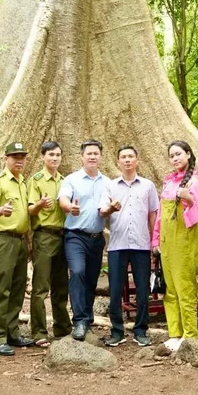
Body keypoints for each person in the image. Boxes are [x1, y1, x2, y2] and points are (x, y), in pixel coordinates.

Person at [101, 146, 159, 348]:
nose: (127, 160)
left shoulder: (147, 185)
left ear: (137, 160)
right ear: (118, 162)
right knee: (116, 290)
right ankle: (117, 331)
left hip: (142, 244)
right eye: (123, 157)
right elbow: (102, 212)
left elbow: (153, 213)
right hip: (117, 244)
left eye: (130, 157)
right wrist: (111, 208)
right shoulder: (109, 186)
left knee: (143, 289)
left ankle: (141, 330)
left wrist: (155, 242)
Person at [155, 140, 198, 353]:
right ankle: (174, 333)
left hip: (185, 244)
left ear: (188, 154)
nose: (175, 158)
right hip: (166, 244)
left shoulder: (195, 183)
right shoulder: (168, 183)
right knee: (170, 289)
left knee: (185, 288)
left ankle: (190, 334)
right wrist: (155, 240)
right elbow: (160, 215)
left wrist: (189, 200)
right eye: (172, 156)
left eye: (179, 154)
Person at [0, 142, 34, 356]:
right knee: (0, 289)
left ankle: (11, 332)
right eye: (15, 157)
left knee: (16, 289)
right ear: (6, 159)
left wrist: (29, 240)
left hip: (20, 239)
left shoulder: (23, 182)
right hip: (2, 239)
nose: (19, 160)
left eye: (22, 156)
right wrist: (0, 211)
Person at [59, 140, 111, 341]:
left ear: (100, 156)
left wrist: (112, 208)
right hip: (75, 236)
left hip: (96, 238)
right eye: (88, 153)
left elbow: (105, 208)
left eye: (96, 153)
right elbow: (63, 199)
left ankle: (87, 319)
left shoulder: (107, 182)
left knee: (91, 278)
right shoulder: (72, 179)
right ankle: (79, 320)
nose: (92, 156)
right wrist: (69, 207)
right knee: (78, 272)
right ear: (81, 157)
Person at [27, 141, 71, 346]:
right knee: (41, 285)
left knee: (61, 285)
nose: (55, 158)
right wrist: (40, 204)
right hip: (44, 235)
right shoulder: (35, 180)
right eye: (51, 155)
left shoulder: (66, 181)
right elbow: (30, 210)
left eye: (58, 155)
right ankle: (39, 331)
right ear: (43, 156)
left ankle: (62, 328)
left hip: (64, 236)